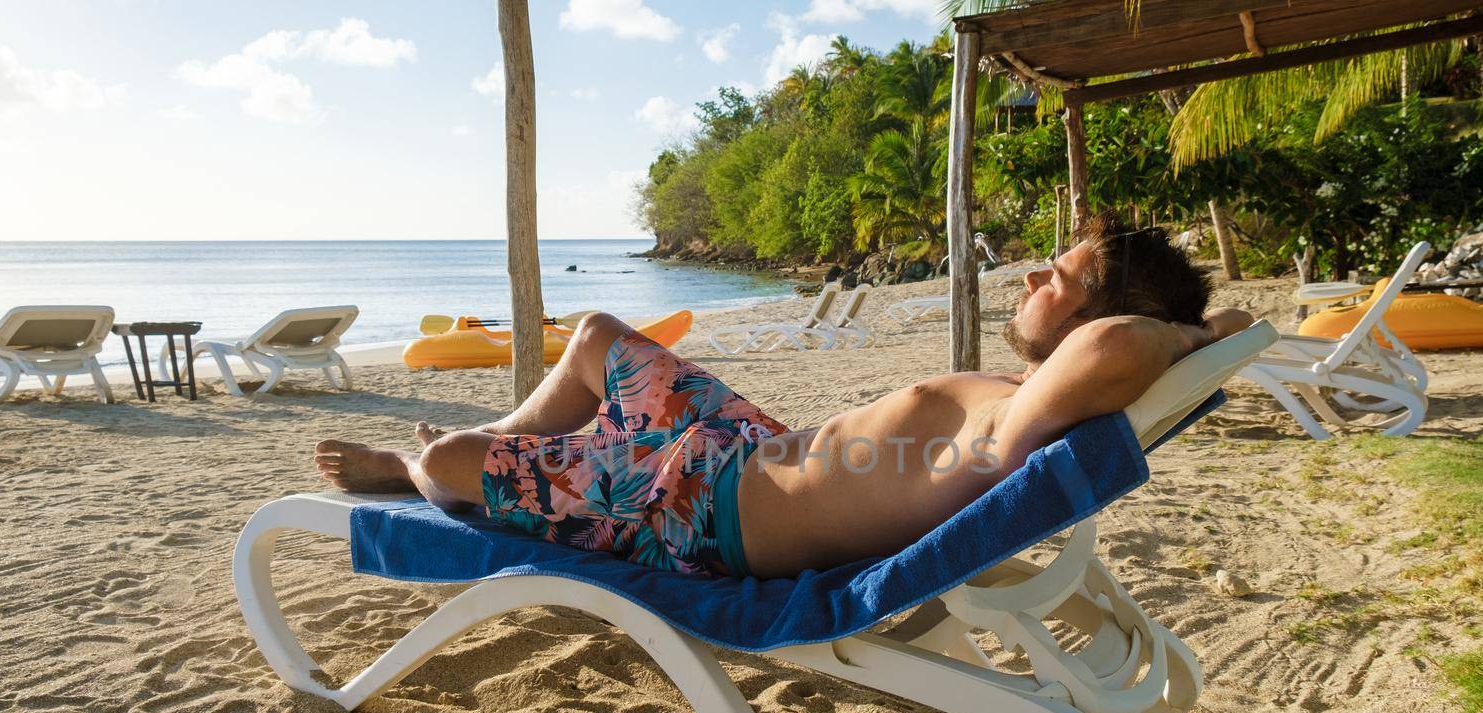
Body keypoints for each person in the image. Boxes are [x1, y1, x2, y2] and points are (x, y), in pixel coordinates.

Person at [316, 213, 1253, 579]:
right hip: (739, 445)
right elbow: (1112, 340)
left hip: (695, 510)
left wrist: (1193, 333)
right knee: (599, 333)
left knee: (444, 467)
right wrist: (1195, 330)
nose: (1030, 279)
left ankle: (411, 466)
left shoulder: (1033, 410)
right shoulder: (1028, 395)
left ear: (1103, 314)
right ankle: (503, 438)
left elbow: (1118, 344)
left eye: (1058, 275)